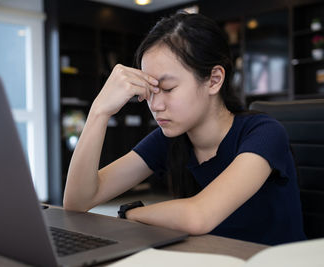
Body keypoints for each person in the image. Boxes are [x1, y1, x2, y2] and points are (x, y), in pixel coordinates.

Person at [63, 12, 306, 245]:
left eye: (168, 89)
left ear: (214, 80)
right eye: (150, 92)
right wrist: (99, 111)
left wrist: (132, 214)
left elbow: (198, 216)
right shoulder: (169, 138)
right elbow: (78, 201)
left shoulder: (264, 133)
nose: (155, 105)